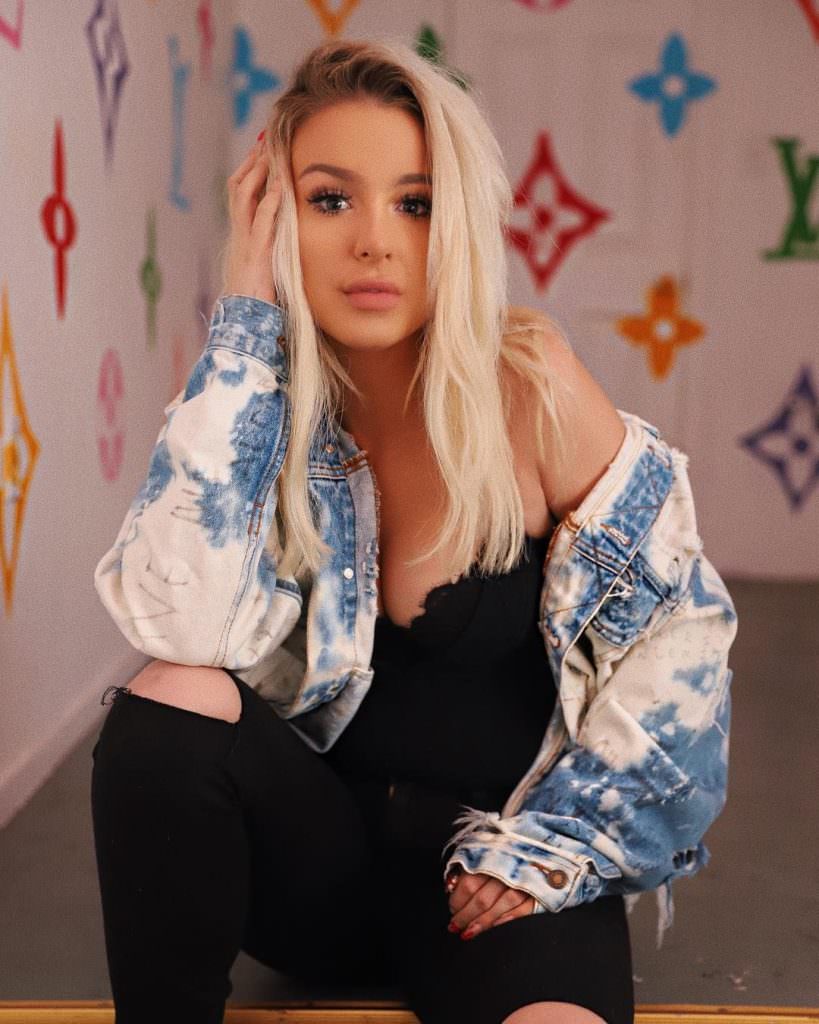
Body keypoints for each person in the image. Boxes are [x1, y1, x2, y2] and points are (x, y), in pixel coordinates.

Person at [90, 37, 737, 1024]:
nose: (374, 242)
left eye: (416, 203)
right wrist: (244, 313)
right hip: (316, 873)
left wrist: (550, 852)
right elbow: (180, 629)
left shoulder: (530, 386)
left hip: (497, 879)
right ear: (275, 217)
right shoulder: (257, 403)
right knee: (169, 699)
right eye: (329, 199)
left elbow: (679, 646)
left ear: (460, 221)